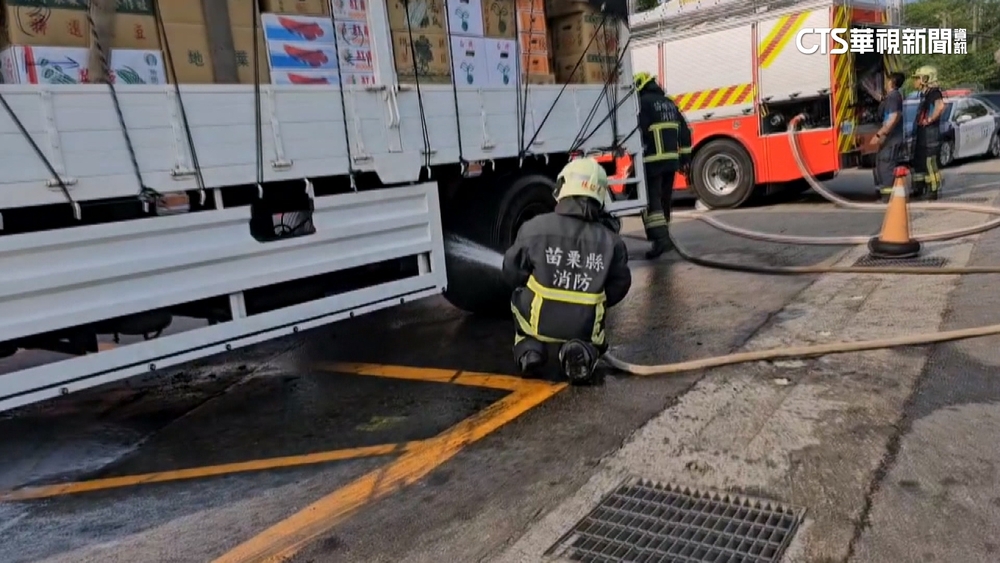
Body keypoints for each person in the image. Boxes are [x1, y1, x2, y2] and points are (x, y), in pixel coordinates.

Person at [501, 157, 632, 383]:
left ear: (563, 187)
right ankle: (581, 352)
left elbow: (511, 272)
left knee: (518, 298)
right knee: (592, 336)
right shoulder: (612, 241)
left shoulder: (534, 228)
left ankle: (530, 350)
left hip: (538, 320)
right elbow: (620, 286)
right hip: (585, 325)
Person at [634, 71, 692, 259]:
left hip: (652, 160)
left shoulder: (643, 103)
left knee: (652, 203)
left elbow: (639, 130)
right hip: (671, 161)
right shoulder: (669, 102)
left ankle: (661, 241)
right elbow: (685, 131)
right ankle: (664, 235)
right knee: (665, 199)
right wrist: (685, 158)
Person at [869, 72, 906, 202]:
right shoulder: (891, 97)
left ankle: (888, 197)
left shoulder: (894, 97)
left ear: (892, 82)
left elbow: (894, 117)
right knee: (881, 165)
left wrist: (880, 134)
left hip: (891, 139)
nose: (885, 82)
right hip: (889, 139)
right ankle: (884, 194)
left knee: (886, 166)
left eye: (887, 80)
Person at [910, 66, 945, 200]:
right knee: (920, 161)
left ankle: (933, 190)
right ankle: (919, 188)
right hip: (923, 133)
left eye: (917, 78)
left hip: (930, 133)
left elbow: (940, 107)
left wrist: (930, 119)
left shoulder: (934, 93)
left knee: (930, 162)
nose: (915, 81)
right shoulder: (925, 94)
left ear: (926, 79)